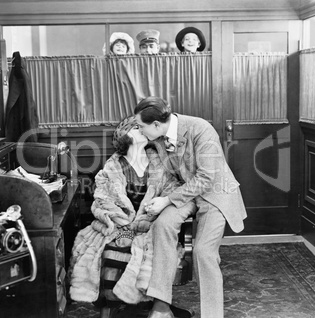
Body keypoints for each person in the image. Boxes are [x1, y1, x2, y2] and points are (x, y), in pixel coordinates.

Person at [134, 96, 247, 318]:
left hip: (215, 193)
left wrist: (166, 201)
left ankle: (212, 315)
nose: (139, 131)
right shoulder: (156, 138)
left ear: (156, 124)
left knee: (204, 252)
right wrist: (154, 202)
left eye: (141, 126)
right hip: (184, 192)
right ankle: (161, 306)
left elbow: (205, 178)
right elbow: (165, 175)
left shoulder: (201, 129)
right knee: (162, 226)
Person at [69, 116, 195, 310]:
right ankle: (110, 308)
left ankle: (150, 307)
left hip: (151, 228)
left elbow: (174, 190)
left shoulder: (161, 164)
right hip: (116, 227)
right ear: (125, 135)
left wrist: (159, 207)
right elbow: (102, 200)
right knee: (112, 251)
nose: (144, 130)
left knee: (149, 253)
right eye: (137, 128)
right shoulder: (112, 167)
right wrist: (123, 226)